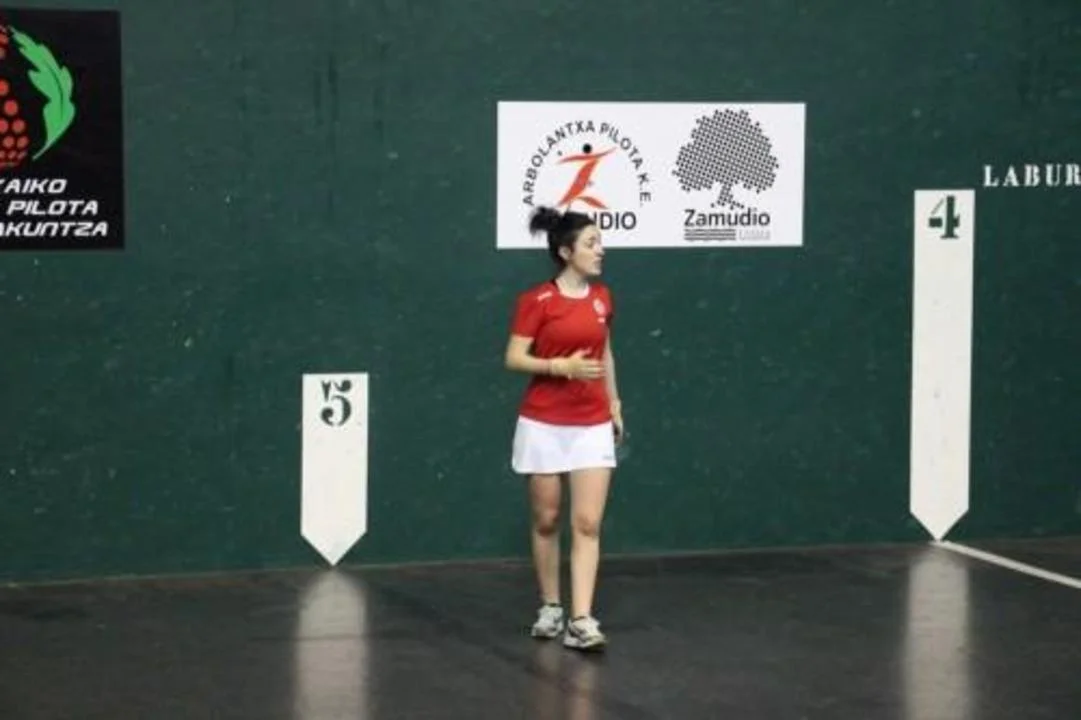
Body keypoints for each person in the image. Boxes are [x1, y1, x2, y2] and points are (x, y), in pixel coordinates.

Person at [503, 205, 624, 651]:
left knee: (588, 523)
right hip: (542, 423)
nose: (601, 250)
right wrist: (560, 366)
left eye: (600, 242)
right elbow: (514, 358)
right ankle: (551, 606)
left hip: (592, 423)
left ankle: (581, 619)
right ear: (566, 252)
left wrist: (614, 402)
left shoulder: (602, 298)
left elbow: (605, 353)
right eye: (591, 243)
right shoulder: (537, 301)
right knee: (547, 519)